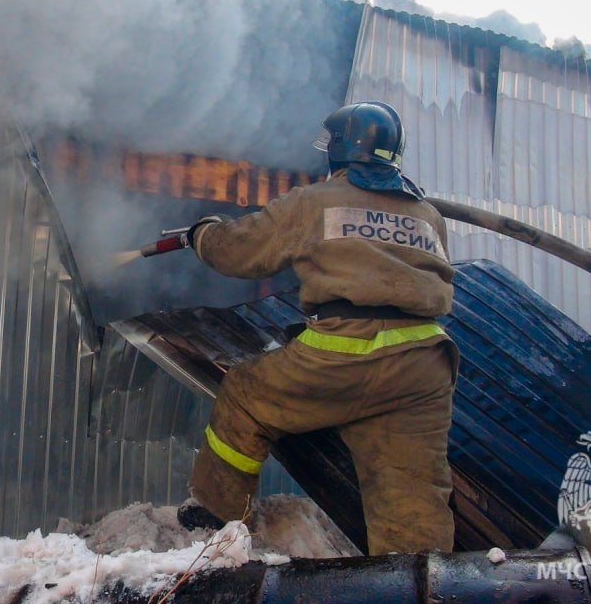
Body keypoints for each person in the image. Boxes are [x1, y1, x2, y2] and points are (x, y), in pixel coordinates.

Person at [176, 101, 460, 555]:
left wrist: (203, 234)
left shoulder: (315, 202)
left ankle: (217, 514)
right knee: (412, 490)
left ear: (341, 149)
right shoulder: (428, 215)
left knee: (246, 395)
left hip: (344, 351)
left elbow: (241, 249)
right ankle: (422, 579)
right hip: (422, 364)